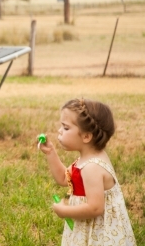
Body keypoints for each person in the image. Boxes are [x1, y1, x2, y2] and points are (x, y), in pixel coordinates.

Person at [38, 98, 136, 246]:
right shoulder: (86, 159)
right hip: (88, 228)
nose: (59, 130)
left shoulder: (92, 167)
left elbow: (95, 207)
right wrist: (51, 152)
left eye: (65, 128)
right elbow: (63, 179)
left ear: (86, 136)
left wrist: (65, 211)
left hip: (99, 234)